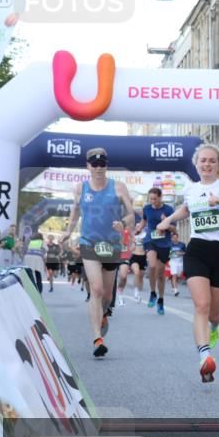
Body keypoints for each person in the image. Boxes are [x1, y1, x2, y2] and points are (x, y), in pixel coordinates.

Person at [156, 144, 219, 382]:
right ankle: (204, 356)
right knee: (200, 305)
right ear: (196, 164)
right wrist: (166, 220)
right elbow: (186, 209)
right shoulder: (191, 189)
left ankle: (214, 327)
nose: (207, 164)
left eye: (212, 161)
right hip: (197, 249)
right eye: (203, 160)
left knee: (213, 313)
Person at [64, 148, 135, 357]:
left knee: (107, 295)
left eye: (102, 163)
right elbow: (75, 211)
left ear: (106, 165)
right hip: (89, 243)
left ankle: (104, 313)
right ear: (87, 166)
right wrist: (68, 232)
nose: (98, 167)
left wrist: (122, 224)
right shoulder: (80, 188)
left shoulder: (118, 187)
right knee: (95, 289)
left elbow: (132, 214)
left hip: (111, 245)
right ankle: (97, 338)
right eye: (94, 163)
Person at [138, 187, 174, 316]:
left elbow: (174, 229)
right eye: (150, 198)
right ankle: (152, 293)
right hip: (150, 241)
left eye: (154, 198)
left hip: (164, 244)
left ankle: (160, 299)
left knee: (160, 274)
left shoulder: (169, 210)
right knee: (152, 266)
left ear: (160, 197)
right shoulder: (147, 208)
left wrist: (166, 223)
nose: (152, 201)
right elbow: (143, 222)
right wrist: (137, 230)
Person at [128, 218, 147, 303]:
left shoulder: (145, 235)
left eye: (140, 226)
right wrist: (134, 242)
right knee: (136, 272)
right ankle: (135, 290)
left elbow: (148, 247)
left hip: (143, 257)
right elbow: (131, 249)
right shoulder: (133, 236)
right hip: (135, 256)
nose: (138, 228)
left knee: (141, 276)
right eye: (137, 226)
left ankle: (139, 292)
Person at [115, 226, 132, 306]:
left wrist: (133, 244)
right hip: (113, 257)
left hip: (124, 256)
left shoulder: (127, 229)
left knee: (123, 276)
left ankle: (120, 291)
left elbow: (134, 238)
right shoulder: (113, 229)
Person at [169, 231, 186, 296]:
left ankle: (173, 285)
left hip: (180, 262)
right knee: (174, 275)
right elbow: (168, 254)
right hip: (173, 262)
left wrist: (180, 253)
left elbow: (185, 252)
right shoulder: (170, 245)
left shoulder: (182, 244)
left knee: (177, 276)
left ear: (178, 238)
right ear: (172, 238)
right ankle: (176, 290)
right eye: (173, 238)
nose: (175, 239)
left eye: (176, 237)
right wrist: (173, 254)